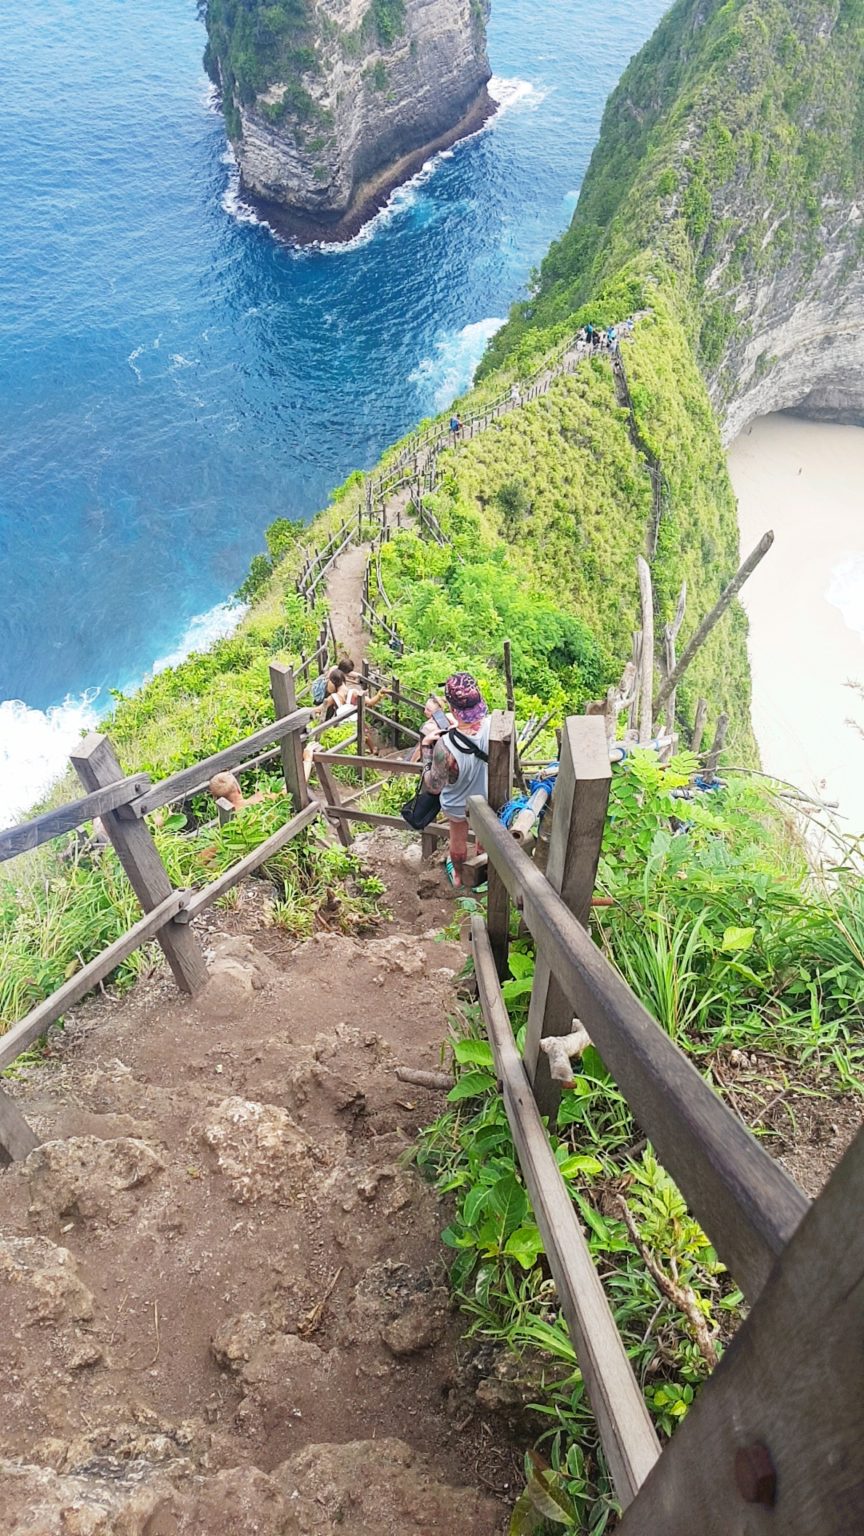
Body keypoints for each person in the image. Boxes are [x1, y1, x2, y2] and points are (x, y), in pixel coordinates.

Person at [422, 673, 490, 887]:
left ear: (452, 709)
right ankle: (482, 877)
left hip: (459, 802)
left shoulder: (445, 746)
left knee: (457, 839)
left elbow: (433, 786)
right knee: (486, 836)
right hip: (488, 797)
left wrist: (426, 749)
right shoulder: (495, 725)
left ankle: (459, 877)